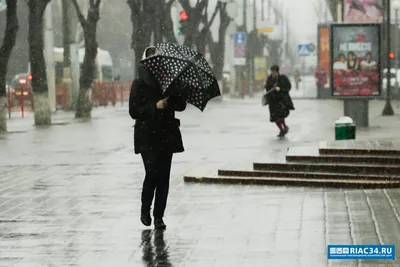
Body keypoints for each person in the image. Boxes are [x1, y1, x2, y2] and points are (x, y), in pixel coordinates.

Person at [129, 46, 187, 230]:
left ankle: (159, 217)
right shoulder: (139, 83)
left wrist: (174, 98)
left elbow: (181, 106)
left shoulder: (169, 83)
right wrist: (155, 107)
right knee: (152, 173)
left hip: (166, 135)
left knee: (164, 177)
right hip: (147, 135)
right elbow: (133, 111)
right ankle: (145, 209)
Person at [264, 65, 295, 137]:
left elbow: (288, 87)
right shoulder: (269, 78)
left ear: (277, 72)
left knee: (281, 116)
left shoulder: (283, 78)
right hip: (272, 101)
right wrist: (268, 88)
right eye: (272, 72)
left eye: (274, 72)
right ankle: (282, 129)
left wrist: (280, 89)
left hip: (281, 101)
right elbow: (267, 87)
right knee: (275, 118)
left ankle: (283, 128)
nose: (273, 74)